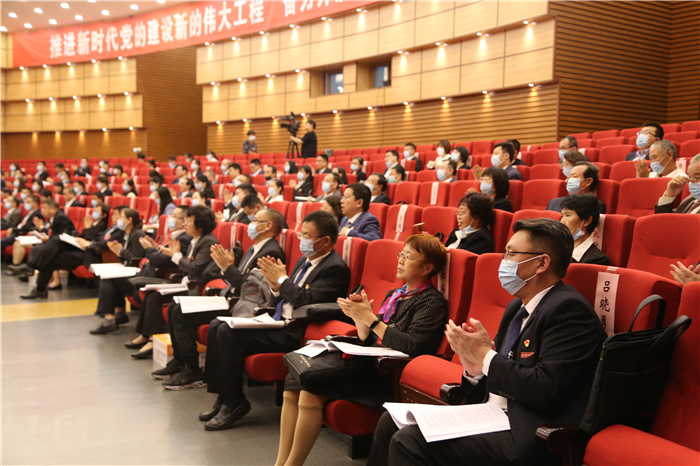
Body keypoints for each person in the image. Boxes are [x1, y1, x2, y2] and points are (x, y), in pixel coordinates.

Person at [367, 218, 607, 466]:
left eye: (511, 254)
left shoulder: (568, 310)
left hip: (527, 429)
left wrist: (487, 357)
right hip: (489, 414)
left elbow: (545, 390)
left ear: (542, 263)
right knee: (390, 421)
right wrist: (475, 372)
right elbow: (498, 377)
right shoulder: (517, 307)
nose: (503, 261)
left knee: (409, 441)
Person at [278, 234, 448, 466]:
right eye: (401, 254)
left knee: (310, 388)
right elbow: (370, 339)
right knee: (293, 382)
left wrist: (371, 320)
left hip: (386, 375)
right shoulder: (395, 295)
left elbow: (411, 345)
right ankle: (281, 462)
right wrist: (361, 321)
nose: (400, 260)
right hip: (367, 364)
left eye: (408, 257)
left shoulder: (431, 302)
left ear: (427, 268)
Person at [199, 210, 350, 431]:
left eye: (308, 236)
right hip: (277, 319)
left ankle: (234, 401)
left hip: (295, 331)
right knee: (216, 325)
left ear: (326, 241)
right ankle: (223, 396)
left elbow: (306, 301)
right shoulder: (304, 260)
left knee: (227, 333)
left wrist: (282, 279)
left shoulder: (335, 268)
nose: (302, 240)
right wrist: (275, 286)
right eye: (301, 234)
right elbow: (287, 294)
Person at [157, 209, 286, 389]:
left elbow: (250, 290)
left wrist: (227, 268)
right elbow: (242, 280)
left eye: (255, 221)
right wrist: (226, 268)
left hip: (245, 306)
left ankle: (192, 370)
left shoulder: (271, 252)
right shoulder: (255, 247)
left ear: (268, 225)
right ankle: (180, 362)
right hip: (233, 298)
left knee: (180, 312)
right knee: (175, 306)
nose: (250, 225)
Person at [129, 205, 219, 359]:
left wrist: (175, 256)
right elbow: (188, 265)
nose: (185, 224)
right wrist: (172, 253)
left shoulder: (208, 242)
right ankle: (148, 336)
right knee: (152, 294)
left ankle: (153, 341)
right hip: (186, 282)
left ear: (200, 226)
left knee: (160, 300)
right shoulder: (195, 240)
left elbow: (195, 268)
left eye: (189, 221)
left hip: (196, 287)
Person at [91, 206, 191, 335]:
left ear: (184, 221)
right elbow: (161, 256)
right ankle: (119, 315)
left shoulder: (182, 239)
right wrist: (155, 248)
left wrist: (149, 249)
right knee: (108, 277)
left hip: (157, 276)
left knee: (109, 278)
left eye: (175, 216)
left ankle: (111, 321)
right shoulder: (173, 236)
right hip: (146, 272)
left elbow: (159, 261)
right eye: (171, 215)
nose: (170, 219)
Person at [14, 200, 77, 299]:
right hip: (57, 246)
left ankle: (31, 267)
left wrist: (47, 237)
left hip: (67, 246)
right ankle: (40, 289)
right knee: (46, 258)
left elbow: (62, 236)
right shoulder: (53, 218)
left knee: (45, 250)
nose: (42, 210)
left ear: (53, 209)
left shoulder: (60, 217)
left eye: (44, 208)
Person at [560, 194, 609, 265]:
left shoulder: (597, 259)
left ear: (586, 221)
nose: (562, 222)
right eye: (562, 216)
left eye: (567, 215)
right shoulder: (557, 249)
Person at [1, 194, 42, 260]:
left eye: (28, 202)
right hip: (17, 232)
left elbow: (28, 228)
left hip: (21, 234)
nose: (26, 204)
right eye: (26, 202)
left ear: (36, 203)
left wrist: (13, 229)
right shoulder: (28, 213)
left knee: (1, 242)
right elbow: (21, 225)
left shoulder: (37, 214)